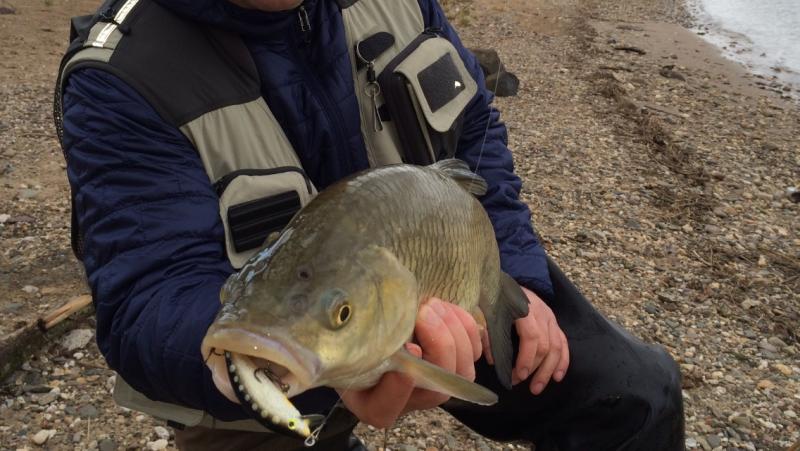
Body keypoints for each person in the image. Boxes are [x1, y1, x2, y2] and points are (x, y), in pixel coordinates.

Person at [55, 0, 685, 449]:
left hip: (446, 264)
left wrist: (516, 270)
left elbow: (475, 130)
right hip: (256, 379)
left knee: (636, 394)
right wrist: (271, 369)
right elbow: (146, 300)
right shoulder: (120, 78)